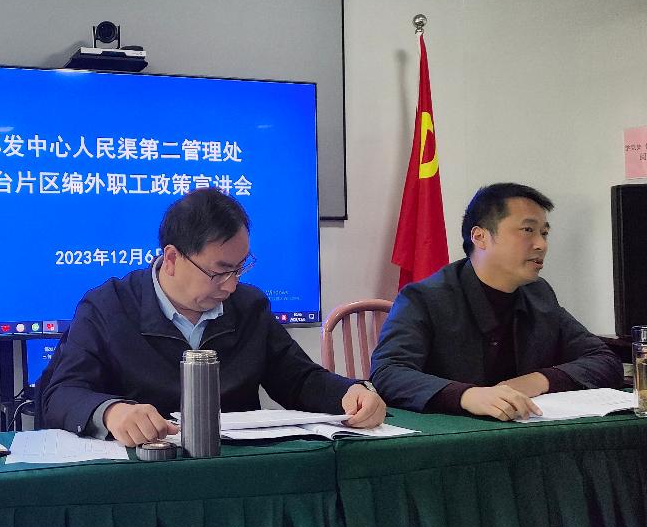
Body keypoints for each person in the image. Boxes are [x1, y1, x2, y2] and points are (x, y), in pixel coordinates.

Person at [37, 188, 386, 446]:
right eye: (219, 271)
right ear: (171, 259)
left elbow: (298, 379)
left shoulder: (249, 307)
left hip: (234, 470)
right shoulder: (108, 306)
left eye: (239, 268)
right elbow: (61, 394)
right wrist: (112, 412)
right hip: (142, 473)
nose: (231, 285)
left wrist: (350, 392)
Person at [371, 182, 622, 420]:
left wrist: (538, 381)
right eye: (528, 230)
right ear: (480, 237)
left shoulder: (539, 294)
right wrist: (467, 396)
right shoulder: (424, 298)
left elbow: (605, 360)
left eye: (544, 233)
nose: (541, 244)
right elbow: (388, 372)